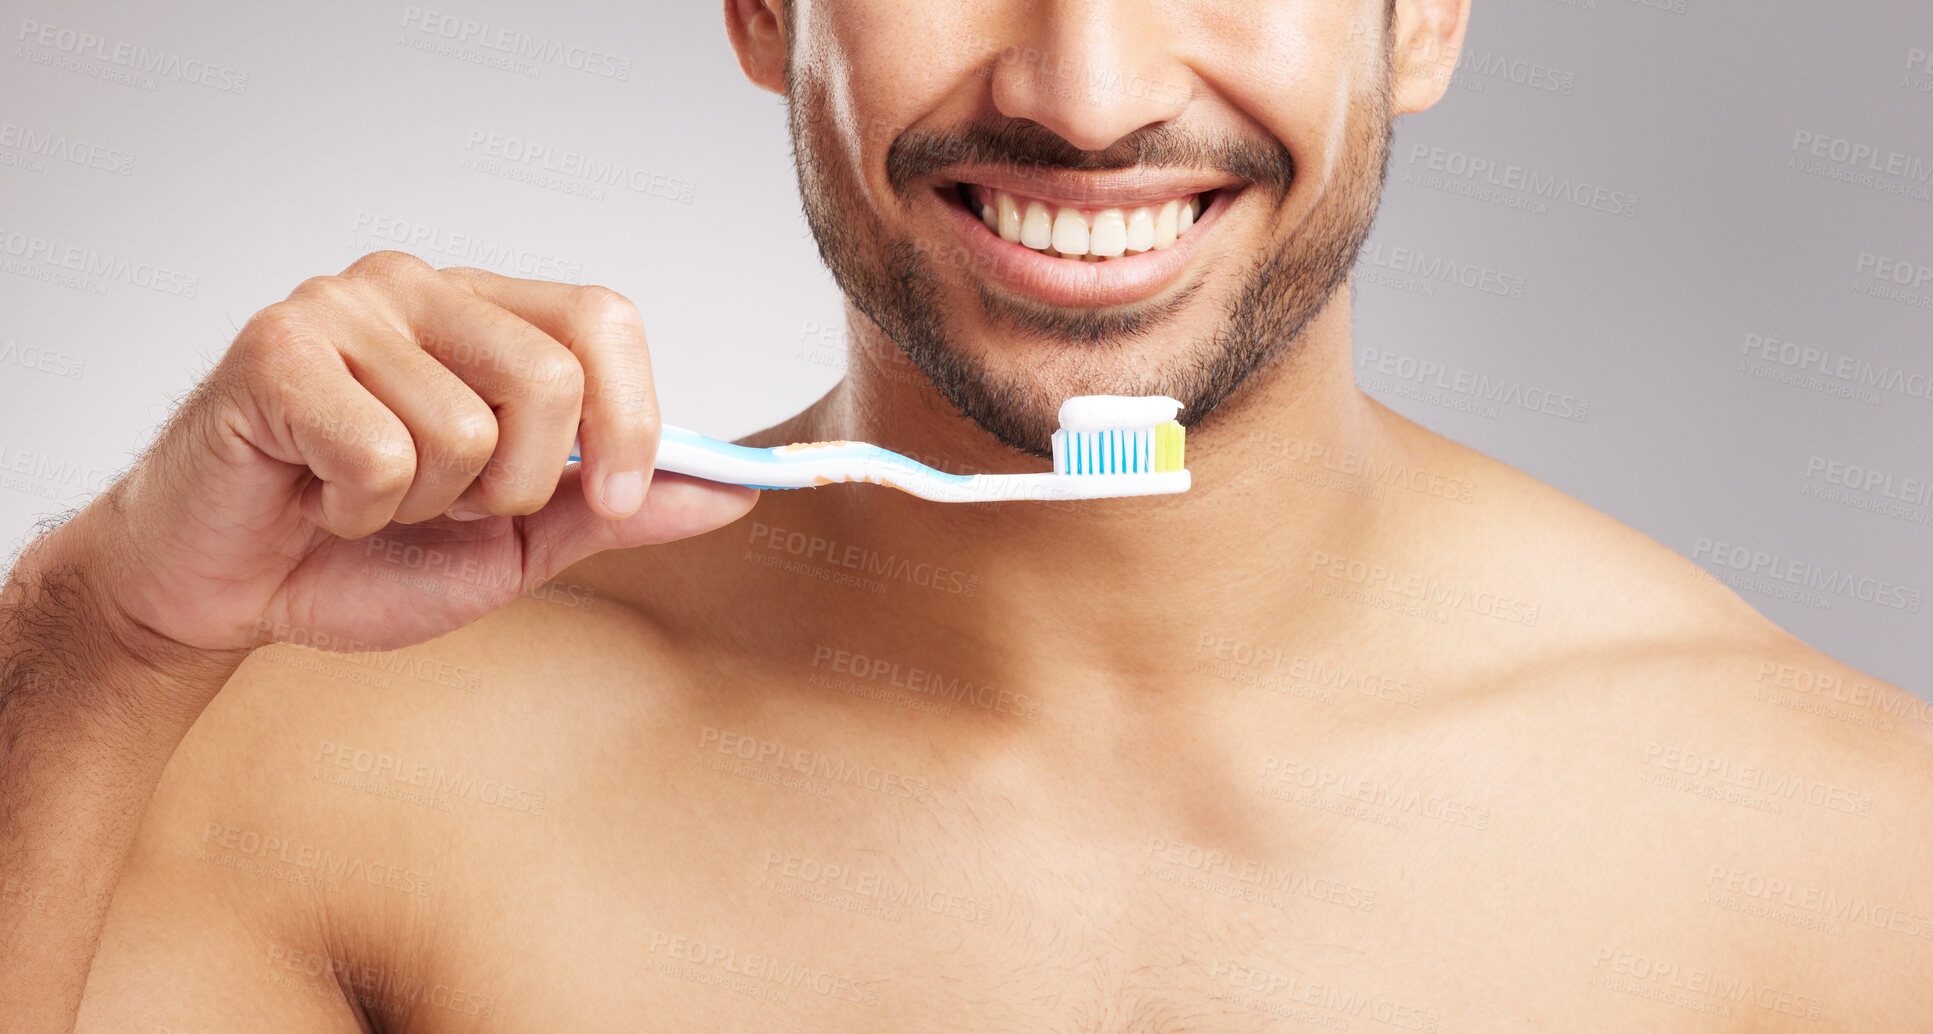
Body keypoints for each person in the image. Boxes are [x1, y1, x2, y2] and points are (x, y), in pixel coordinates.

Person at [4, 0, 1927, 1029]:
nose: (1086, 91)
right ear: (766, 7)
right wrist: (105, 630)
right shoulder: (318, 790)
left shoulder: (1846, 858)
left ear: (1419, 13)